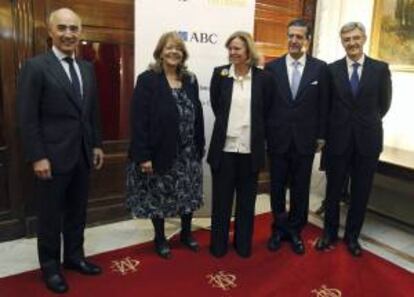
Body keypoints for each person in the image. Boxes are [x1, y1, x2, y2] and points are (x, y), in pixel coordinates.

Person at [17, 8, 104, 294]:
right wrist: (37, 155)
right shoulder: (36, 66)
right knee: (51, 215)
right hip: (51, 158)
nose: (69, 34)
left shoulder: (88, 68)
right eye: (63, 28)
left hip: (81, 154)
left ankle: (75, 258)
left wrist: (96, 144)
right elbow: (27, 117)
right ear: (51, 32)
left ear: (81, 32)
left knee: (77, 211)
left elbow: (91, 113)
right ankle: (51, 267)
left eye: (74, 29)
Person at [315, 22, 392, 257]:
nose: (352, 43)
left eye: (356, 38)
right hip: (338, 140)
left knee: (360, 193)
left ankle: (352, 237)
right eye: (347, 39)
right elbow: (325, 106)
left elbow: (384, 104)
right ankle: (329, 233)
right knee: (334, 191)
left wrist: (364, 123)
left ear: (364, 38)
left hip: (367, 141)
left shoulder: (380, 69)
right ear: (342, 42)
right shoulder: (331, 69)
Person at [126, 31, 205, 260]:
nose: (174, 52)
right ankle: (160, 237)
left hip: (189, 153)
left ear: (183, 54)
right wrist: (143, 156)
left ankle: (186, 234)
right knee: (158, 197)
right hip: (159, 151)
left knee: (188, 196)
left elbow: (197, 113)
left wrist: (199, 145)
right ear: (160, 52)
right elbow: (138, 120)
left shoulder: (190, 79)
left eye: (178, 49)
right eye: (169, 48)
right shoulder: (148, 79)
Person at [265, 19, 329, 255]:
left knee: (301, 189)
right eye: (290, 36)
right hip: (278, 139)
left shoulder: (320, 69)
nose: (294, 40)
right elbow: (266, 106)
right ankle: (278, 229)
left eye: (299, 37)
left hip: (305, 140)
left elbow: (324, 105)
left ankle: (295, 231)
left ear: (307, 40)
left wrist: (322, 135)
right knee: (277, 188)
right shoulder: (272, 68)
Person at [208, 31, 273, 258]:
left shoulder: (264, 78)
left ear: (248, 51)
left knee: (246, 203)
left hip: (249, 151)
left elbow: (265, 112)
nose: (232, 53)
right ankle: (218, 246)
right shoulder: (220, 75)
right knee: (221, 202)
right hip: (224, 151)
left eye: (237, 48)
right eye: (230, 49)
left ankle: (243, 244)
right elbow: (218, 107)